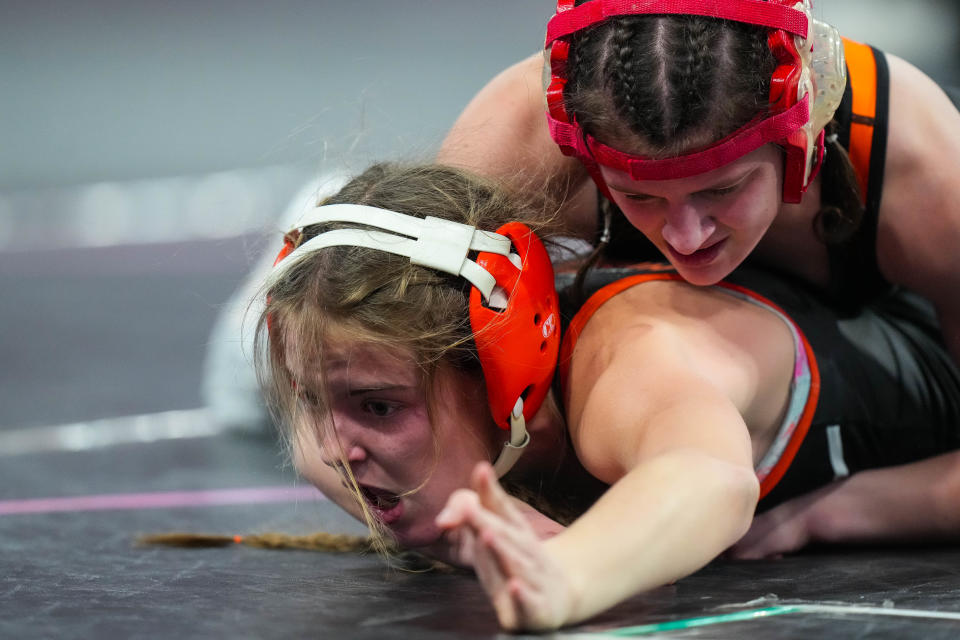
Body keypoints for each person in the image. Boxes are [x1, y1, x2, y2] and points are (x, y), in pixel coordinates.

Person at [258, 161, 960, 631]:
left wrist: (568, 572)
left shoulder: (632, 364)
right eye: (312, 399)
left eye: (377, 407)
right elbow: (328, 443)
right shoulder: (375, 420)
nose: (333, 450)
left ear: (503, 371)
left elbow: (710, 479)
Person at [437, 0, 960, 367]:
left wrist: (833, 512)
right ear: (578, 144)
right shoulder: (517, 141)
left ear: (804, 127)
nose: (687, 237)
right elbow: (374, 377)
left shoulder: (923, 169)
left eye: (723, 189)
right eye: (638, 195)